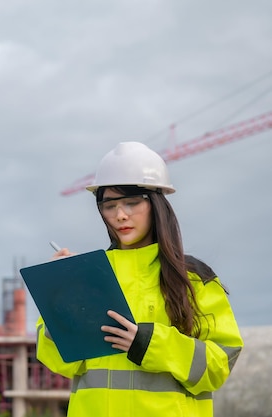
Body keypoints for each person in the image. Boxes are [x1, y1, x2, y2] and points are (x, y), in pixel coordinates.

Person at [36, 141, 243, 416]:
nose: (120, 215)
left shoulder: (193, 280)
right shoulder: (89, 277)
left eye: (132, 203)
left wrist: (151, 343)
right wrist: (61, 299)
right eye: (110, 205)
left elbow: (219, 366)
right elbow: (62, 363)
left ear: (156, 204)